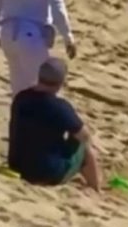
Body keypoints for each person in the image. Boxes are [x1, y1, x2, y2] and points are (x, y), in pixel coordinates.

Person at [8, 58, 101, 191]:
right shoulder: (59, 107)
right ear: (61, 82)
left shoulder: (21, 98)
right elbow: (84, 136)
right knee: (83, 146)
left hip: (17, 166)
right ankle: (95, 188)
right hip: (47, 173)